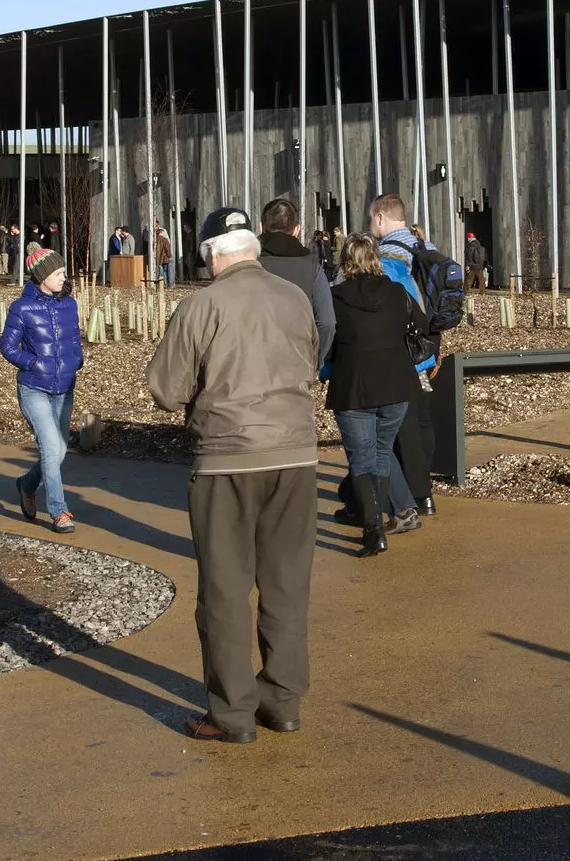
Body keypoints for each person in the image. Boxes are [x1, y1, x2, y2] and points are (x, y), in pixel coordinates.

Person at [146, 206, 319, 744]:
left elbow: (164, 389)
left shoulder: (203, 305)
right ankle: (283, 702)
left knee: (225, 590)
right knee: (287, 587)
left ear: (211, 255)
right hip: (296, 456)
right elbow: (312, 359)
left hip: (228, 458)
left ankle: (232, 713)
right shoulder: (295, 297)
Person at [326, 234, 428, 555]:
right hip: (397, 385)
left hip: (353, 385)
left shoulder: (334, 297)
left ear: (346, 261)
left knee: (362, 458)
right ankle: (380, 521)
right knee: (382, 453)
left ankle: (373, 531)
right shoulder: (398, 293)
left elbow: (325, 338)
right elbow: (422, 325)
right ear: (375, 258)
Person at [0, 247, 85, 533]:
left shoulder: (69, 304)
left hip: (64, 387)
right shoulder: (21, 308)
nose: (63, 277)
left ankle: (26, 484)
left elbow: (75, 339)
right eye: (58, 273)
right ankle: (59, 512)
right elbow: (7, 347)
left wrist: (77, 360)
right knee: (50, 447)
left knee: (59, 451)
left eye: (63, 273)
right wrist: (32, 362)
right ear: (42, 276)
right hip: (34, 387)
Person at [255, 198, 335, 366]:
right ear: (297, 230)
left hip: (254, 362)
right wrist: (315, 360)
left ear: (261, 226)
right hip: (298, 363)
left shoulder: (249, 262)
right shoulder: (312, 266)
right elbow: (327, 323)